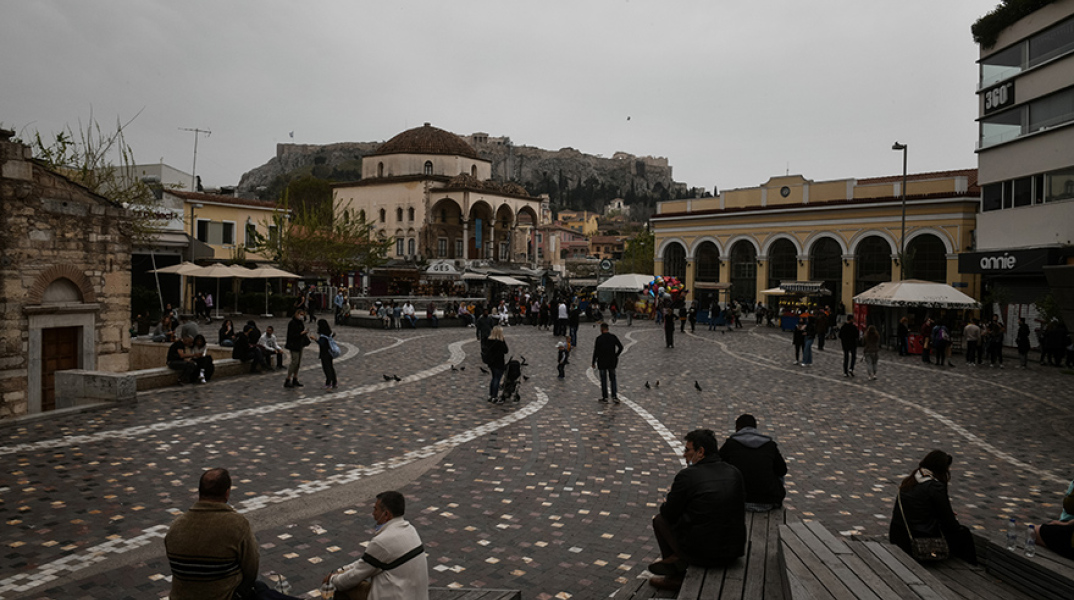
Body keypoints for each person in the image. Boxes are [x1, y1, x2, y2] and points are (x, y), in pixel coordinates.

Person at [648, 429, 746, 591]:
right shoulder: (734, 472)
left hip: (703, 553)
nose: (684, 454)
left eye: (687, 450)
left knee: (659, 520)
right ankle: (676, 559)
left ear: (700, 452)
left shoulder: (687, 476)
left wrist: (669, 502)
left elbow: (668, 513)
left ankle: (675, 575)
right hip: (733, 551)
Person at [165, 468, 259, 600]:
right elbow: (251, 569)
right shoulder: (237, 525)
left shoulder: (176, 526)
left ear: (200, 492)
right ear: (227, 493)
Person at [323, 491, 429, 600]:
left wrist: (332, 580)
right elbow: (367, 562)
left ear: (386, 514)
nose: (373, 514)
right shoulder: (410, 530)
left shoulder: (382, 542)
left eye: (375, 509)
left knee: (338, 587)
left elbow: (356, 575)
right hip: (415, 595)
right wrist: (342, 570)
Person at [889, 450, 977, 564]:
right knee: (963, 534)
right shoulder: (935, 487)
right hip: (918, 540)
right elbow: (949, 522)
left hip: (898, 535)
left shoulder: (911, 480)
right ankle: (970, 566)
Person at [719, 414, 786, 512]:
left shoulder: (730, 444)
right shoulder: (770, 445)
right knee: (777, 472)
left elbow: (717, 466)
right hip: (768, 501)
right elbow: (782, 470)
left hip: (737, 501)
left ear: (738, 428)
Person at [592, 322, 624, 403]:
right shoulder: (613, 337)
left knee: (603, 380)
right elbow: (621, 347)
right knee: (613, 379)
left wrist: (593, 361)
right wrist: (616, 355)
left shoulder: (599, 338)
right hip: (611, 361)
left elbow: (596, 351)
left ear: (602, 329)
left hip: (602, 361)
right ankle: (614, 396)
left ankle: (605, 397)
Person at [284, 309, 309, 388]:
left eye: (303, 315)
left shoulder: (300, 323)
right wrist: (301, 333)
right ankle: (288, 379)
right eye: (300, 314)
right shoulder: (292, 323)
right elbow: (292, 335)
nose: (302, 316)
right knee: (294, 362)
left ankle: (295, 378)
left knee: (298, 363)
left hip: (300, 344)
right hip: (293, 345)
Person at [483, 326, 508, 402]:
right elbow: (506, 350)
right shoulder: (500, 342)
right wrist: (503, 341)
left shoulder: (489, 340)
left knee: (494, 378)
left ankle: (490, 395)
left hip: (491, 362)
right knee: (497, 379)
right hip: (499, 362)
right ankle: (494, 396)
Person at [312, 319, 338, 390]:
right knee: (331, 367)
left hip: (325, 353)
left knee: (327, 368)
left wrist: (315, 339)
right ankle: (334, 382)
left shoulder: (323, 336)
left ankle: (328, 383)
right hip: (330, 352)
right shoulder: (329, 333)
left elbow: (322, 343)